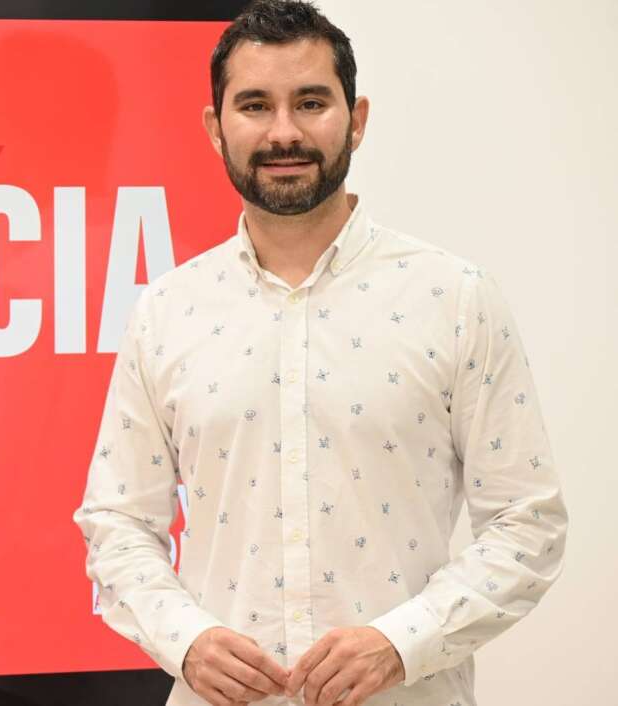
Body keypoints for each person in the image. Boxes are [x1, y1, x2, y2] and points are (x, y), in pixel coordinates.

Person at [71, 1, 569, 705]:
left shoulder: (455, 298)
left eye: (310, 103)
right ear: (216, 129)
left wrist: (403, 642)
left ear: (356, 119)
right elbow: (117, 522)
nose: (284, 132)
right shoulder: (167, 312)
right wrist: (184, 639)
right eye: (255, 105)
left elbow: (527, 523)